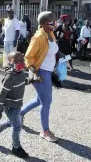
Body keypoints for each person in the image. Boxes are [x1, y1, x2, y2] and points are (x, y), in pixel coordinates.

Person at [20, 11, 61, 143]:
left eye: (54, 22)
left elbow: (53, 50)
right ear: (43, 24)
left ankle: (19, 114)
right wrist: (35, 73)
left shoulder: (51, 34)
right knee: (46, 102)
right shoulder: (38, 37)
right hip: (40, 72)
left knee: (39, 100)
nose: (54, 24)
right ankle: (45, 131)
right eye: (51, 22)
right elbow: (28, 57)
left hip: (48, 71)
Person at [0, 51, 30, 158]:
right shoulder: (9, 77)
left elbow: (23, 82)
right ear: (10, 62)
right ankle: (16, 147)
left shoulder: (20, 73)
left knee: (11, 122)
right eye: (16, 60)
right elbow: (2, 94)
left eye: (21, 59)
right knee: (17, 126)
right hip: (10, 107)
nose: (19, 62)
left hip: (17, 104)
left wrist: (33, 80)